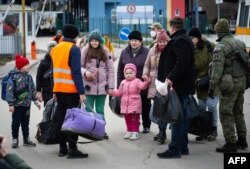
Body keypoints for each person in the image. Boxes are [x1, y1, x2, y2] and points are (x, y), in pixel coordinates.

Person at [157, 17, 195, 158]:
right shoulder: (184, 39)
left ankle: (175, 149)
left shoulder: (180, 40)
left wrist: (171, 77)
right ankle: (182, 146)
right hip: (181, 85)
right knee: (181, 117)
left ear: (172, 27)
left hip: (179, 86)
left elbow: (182, 61)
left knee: (177, 118)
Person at [209, 18, 248, 153]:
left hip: (229, 85)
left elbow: (217, 71)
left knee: (226, 113)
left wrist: (212, 87)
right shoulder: (240, 42)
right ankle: (242, 140)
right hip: (241, 82)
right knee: (238, 111)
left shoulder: (221, 47)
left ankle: (231, 143)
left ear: (218, 32)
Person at [50, 24, 88, 158]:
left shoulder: (55, 49)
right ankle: (72, 149)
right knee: (73, 120)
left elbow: (53, 72)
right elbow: (76, 72)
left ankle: (62, 148)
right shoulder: (74, 49)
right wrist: (81, 92)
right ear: (75, 36)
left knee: (61, 118)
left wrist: (54, 90)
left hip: (59, 89)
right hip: (71, 90)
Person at [81, 29, 115, 139]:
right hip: (88, 86)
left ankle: (101, 131)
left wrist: (111, 87)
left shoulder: (105, 51)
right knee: (89, 110)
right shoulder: (85, 50)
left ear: (100, 41)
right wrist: (86, 72)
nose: (94, 43)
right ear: (89, 41)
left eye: (96, 41)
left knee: (100, 110)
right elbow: (79, 66)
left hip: (102, 87)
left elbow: (110, 69)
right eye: (92, 40)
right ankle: (89, 130)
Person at [188, 27, 219, 141]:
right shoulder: (190, 48)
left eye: (193, 38)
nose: (191, 40)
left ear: (198, 37)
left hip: (212, 81)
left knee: (211, 106)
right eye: (189, 38)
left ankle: (213, 129)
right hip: (200, 83)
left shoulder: (210, 46)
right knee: (201, 107)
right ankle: (202, 130)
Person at [117, 30, 151, 133]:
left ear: (140, 41)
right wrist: (119, 85)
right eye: (131, 40)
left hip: (142, 84)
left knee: (145, 105)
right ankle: (134, 126)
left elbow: (150, 67)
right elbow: (120, 69)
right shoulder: (124, 52)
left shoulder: (147, 51)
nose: (133, 42)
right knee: (132, 108)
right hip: (129, 87)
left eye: (136, 40)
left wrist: (148, 80)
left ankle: (146, 125)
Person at [6, 55, 41, 149]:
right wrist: (10, 104)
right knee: (16, 122)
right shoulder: (13, 77)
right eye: (26, 65)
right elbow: (9, 91)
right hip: (17, 105)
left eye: (28, 64)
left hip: (27, 105)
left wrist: (36, 101)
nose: (28, 66)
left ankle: (26, 138)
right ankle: (15, 139)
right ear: (20, 67)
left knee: (26, 122)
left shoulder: (29, 77)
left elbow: (32, 91)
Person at [142, 30, 171, 144]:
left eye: (164, 41)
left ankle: (163, 132)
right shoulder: (152, 51)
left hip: (165, 84)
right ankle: (160, 130)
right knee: (158, 109)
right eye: (160, 41)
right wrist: (145, 74)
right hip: (154, 83)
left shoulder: (170, 51)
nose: (162, 44)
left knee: (163, 109)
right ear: (157, 42)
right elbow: (147, 65)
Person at [112, 63, 150, 140]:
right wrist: (112, 92)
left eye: (130, 73)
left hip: (135, 104)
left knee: (135, 119)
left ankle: (135, 131)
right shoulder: (123, 82)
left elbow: (142, 87)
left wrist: (146, 82)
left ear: (135, 73)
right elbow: (119, 92)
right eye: (126, 73)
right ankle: (129, 130)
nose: (128, 75)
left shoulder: (137, 81)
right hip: (125, 105)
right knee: (127, 118)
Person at [36, 41, 57, 106]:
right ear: (48, 50)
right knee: (48, 111)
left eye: (55, 49)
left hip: (58, 91)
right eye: (51, 49)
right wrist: (38, 91)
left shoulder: (59, 60)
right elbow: (38, 77)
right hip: (47, 92)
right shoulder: (43, 63)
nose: (53, 51)